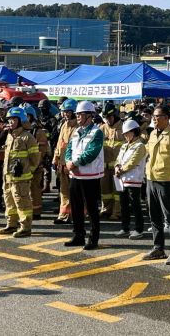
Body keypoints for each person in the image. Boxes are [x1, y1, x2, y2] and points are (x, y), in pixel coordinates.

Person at [142, 105, 170, 265]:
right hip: (151, 179)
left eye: (158, 116)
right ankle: (158, 247)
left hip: (166, 180)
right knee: (154, 215)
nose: (154, 118)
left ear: (167, 118)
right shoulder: (152, 133)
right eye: (153, 116)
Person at [65, 101, 105, 250]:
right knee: (75, 207)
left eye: (80, 114)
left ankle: (93, 238)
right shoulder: (76, 132)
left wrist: (74, 164)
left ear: (89, 115)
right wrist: (69, 162)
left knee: (92, 209)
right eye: (77, 114)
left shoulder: (97, 132)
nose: (78, 117)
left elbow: (92, 153)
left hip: (90, 176)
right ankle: (78, 235)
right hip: (75, 175)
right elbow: (69, 149)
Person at [0, 107, 40, 237]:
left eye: (14, 119)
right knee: (9, 202)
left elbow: (35, 159)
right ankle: (11, 225)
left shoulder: (27, 137)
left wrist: (29, 172)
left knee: (22, 202)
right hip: (8, 177)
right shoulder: (10, 136)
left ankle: (25, 227)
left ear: (21, 120)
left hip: (21, 179)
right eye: (9, 119)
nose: (11, 122)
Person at [114, 119, 148, 239]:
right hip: (122, 179)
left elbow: (133, 162)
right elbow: (119, 159)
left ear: (134, 132)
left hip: (134, 179)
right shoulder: (124, 146)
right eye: (124, 134)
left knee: (135, 205)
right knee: (123, 205)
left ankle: (139, 229)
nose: (126, 136)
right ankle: (125, 228)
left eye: (127, 133)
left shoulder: (140, 146)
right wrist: (117, 166)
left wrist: (121, 169)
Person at [52, 99, 78, 224]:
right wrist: (55, 159)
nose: (65, 114)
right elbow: (59, 144)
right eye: (64, 112)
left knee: (75, 192)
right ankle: (63, 215)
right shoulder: (63, 125)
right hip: (62, 165)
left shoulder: (79, 127)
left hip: (73, 165)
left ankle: (77, 215)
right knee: (63, 191)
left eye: (68, 112)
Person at [99, 102, 125, 220]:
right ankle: (106, 210)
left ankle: (117, 212)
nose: (107, 120)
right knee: (105, 191)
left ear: (115, 115)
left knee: (117, 193)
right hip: (104, 167)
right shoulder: (102, 128)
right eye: (105, 118)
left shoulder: (124, 128)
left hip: (118, 167)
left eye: (109, 117)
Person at [38, 99, 59, 193]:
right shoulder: (38, 118)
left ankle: (47, 185)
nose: (42, 110)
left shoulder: (52, 119)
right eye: (41, 108)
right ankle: (41, 185)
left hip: (49, 145)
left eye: (44, 108)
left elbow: (54, 133)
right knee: (39, 165)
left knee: (47, 166)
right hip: (39, 145)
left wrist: (48, 136)